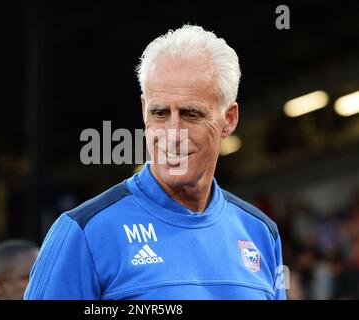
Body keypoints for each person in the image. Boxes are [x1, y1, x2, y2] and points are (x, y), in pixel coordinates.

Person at [25, 25, 286, 300]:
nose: (172, 134)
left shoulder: (260, 233)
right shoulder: (85, 233)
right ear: (143, 110)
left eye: (191, 114)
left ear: (229, 119)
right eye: (160, 113)